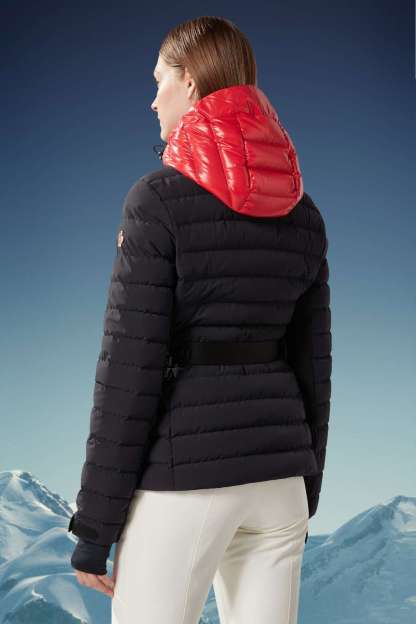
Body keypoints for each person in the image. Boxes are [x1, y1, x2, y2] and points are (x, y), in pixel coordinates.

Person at [68, 15, 332, 624]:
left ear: (189, 81)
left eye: (158, 80)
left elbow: (128, 370)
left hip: (185, 478)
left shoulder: (157, 202)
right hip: (280, 481)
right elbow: (313, 364)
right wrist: (306, 479)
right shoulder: (302, 211)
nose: (152, 98)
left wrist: (96, 525)